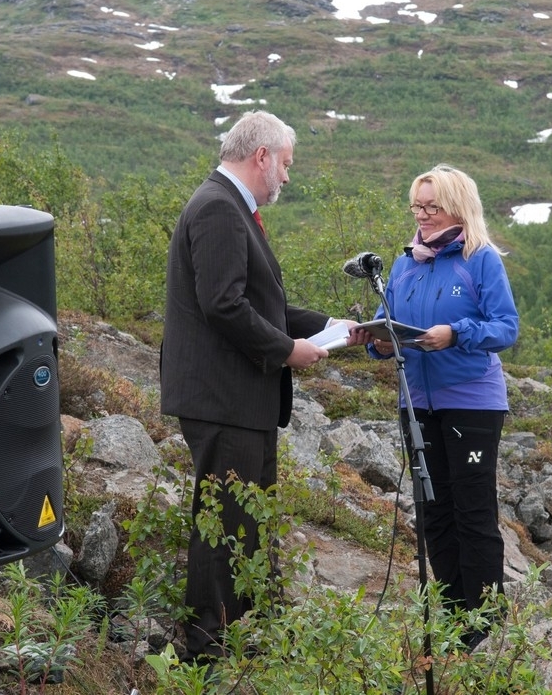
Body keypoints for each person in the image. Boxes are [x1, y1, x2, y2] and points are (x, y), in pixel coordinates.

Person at [160, 110, 369, 665]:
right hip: (223, 400)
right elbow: (223, 305)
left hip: (237, 401)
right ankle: (207, 654)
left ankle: (236, 637)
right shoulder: (219, 210)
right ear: (262, 157)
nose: (287, 177)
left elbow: (260, 303)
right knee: (225, 526)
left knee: (243, 523)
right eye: (287, 165)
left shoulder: (227, 207)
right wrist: (286, 350)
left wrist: (332, 328)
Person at [367, 164, 519, 647]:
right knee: (434, 512)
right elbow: (383, 321)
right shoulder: (403, 263)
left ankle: (485, 629)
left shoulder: (481, 260)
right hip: (416, 403)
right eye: (418, 206)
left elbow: (506, 328)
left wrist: (456, 334)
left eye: (433, 206)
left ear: (458, 207)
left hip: (472, 404)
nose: (424, 215)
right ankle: (453, 620)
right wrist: (379, 342)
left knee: (472, 511)